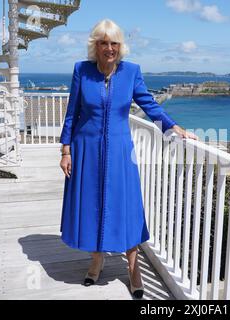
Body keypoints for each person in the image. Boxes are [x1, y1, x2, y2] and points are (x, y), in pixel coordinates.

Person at [58, 19, 198, 299]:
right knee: (92, 204)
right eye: (103, 43)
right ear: (94, 46)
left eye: (114, 43)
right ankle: (97, 259)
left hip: (120, 152)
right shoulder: (81, 71)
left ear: (120, 47)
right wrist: (65, 150)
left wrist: (173, 127)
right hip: (85, 149)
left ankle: (134, 268)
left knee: (127, 206)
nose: (109, 48)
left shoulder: (130, 71)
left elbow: (149, 104)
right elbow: (73, 112)